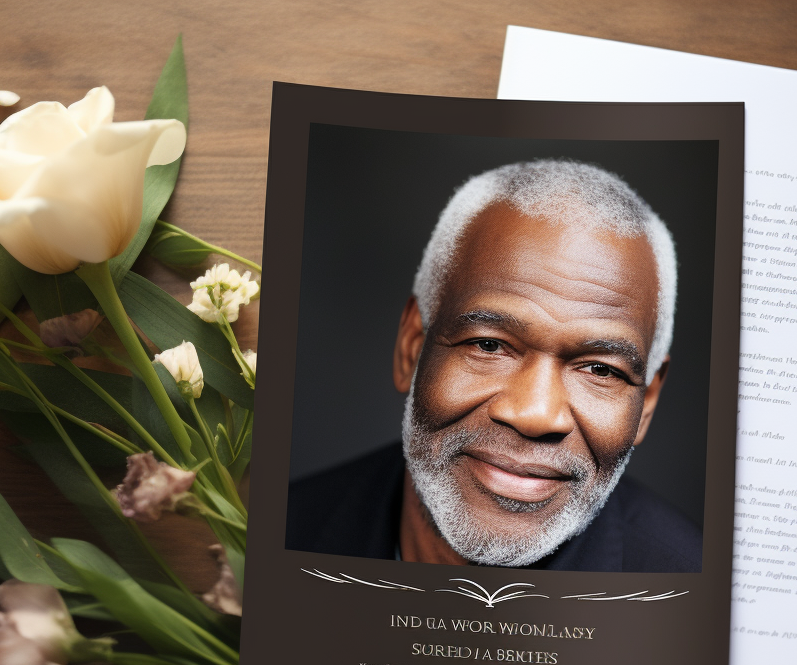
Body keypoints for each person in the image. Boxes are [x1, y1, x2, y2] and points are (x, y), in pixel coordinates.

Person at [286, 159, 701, 573]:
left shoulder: (688, 601)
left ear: (646, 403)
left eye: (600, 370)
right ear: (412, 348)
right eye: (489, 345)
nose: (535, 415)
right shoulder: (276, 539)